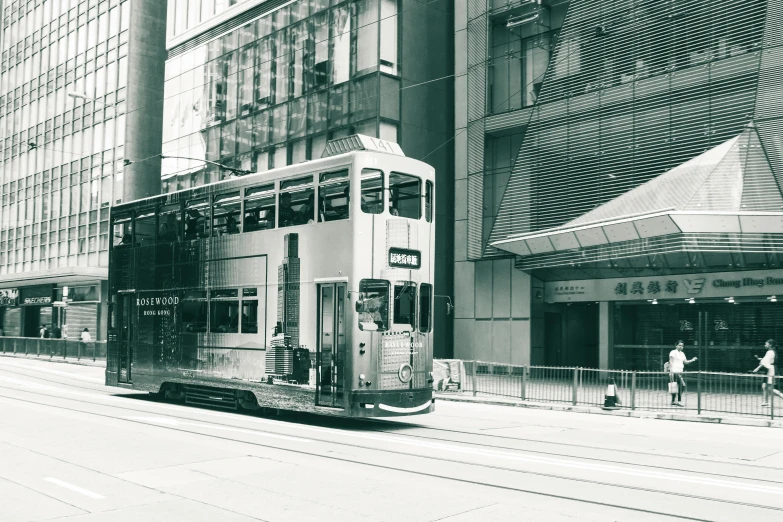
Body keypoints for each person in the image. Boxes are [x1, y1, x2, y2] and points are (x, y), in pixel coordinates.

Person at [669, 340, 697, 406]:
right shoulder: (673, 352)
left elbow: (685, 362)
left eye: (682, 346)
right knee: (682, 385)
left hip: (680, 372)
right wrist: (671, 371)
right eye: (679, 345)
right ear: (676, 345)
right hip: (674, 371)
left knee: (675, 386)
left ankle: (673, 401)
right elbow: (671, 361)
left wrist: (692, 360)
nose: (681, 347)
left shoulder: (682, 354)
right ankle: (679, 401)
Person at [753, 339, 778, 407]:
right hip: (768, 370)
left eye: (766, 344)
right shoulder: (770, 352)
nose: (765, 345)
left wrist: (757, 368)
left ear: (770, 345)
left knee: (771, 388)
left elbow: (765, 362)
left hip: (770, 370)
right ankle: (765, 401)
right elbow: (765, 360)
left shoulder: (770, 352)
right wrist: (759, 359)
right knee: (764, 386)